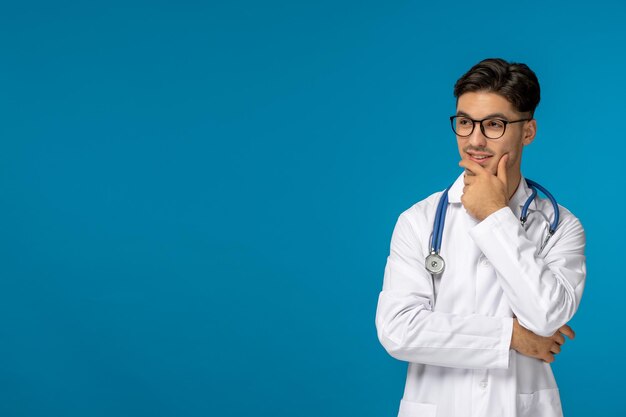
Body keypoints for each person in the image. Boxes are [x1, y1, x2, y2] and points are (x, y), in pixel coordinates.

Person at [375, 58, 586, 417]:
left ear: (528, 131)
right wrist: (511, 337)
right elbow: (399, 330)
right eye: (464, 123)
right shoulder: (418, 221)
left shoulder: (559, 225)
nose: (474, 140)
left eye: (494, 125)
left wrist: (494, 215)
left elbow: (546, 316)